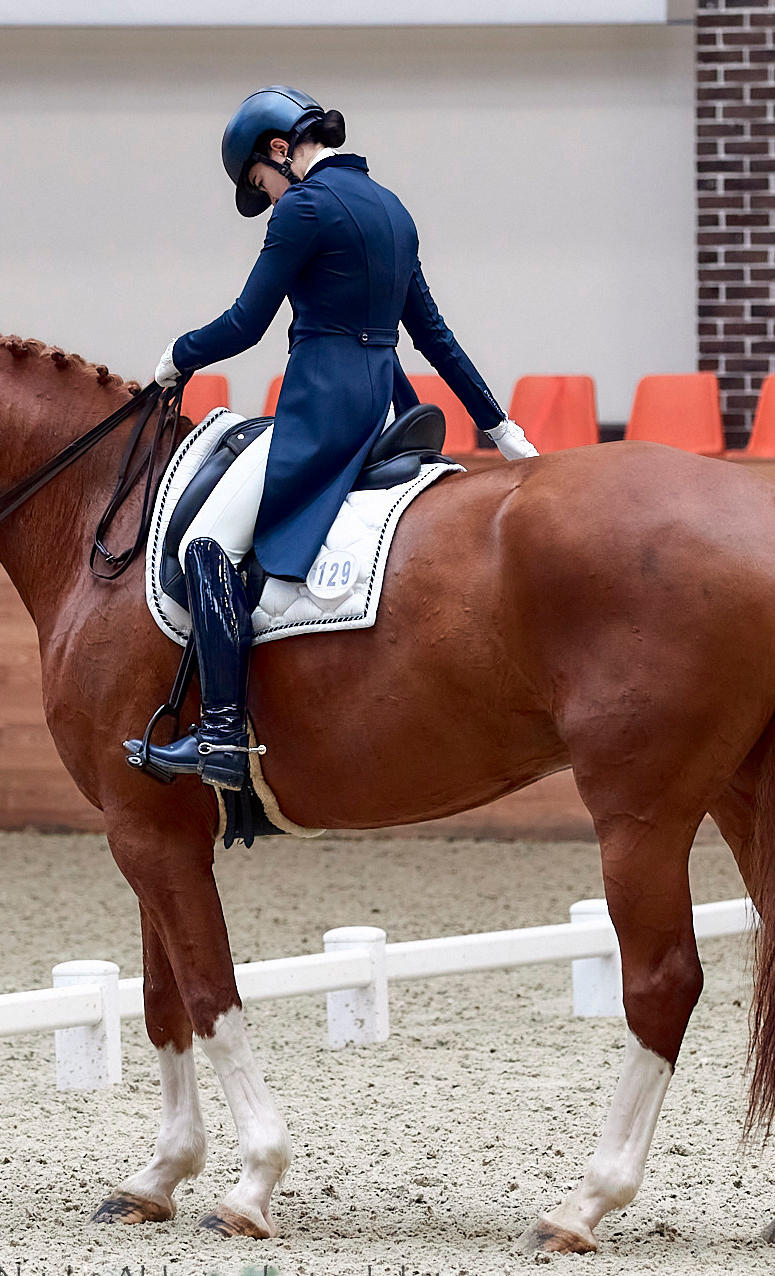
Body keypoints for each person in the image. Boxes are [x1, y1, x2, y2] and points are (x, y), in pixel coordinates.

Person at [133, 86, 539, 791]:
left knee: (205, 545)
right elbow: (434, 338)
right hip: (385, 404)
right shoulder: (392, 209)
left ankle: (223, 734)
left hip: (323, 411)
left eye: (260, 182)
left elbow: (246, 322)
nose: (267, 195)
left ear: (281, 151)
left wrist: (177, 355)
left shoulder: (305, 208)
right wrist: (505, 433)